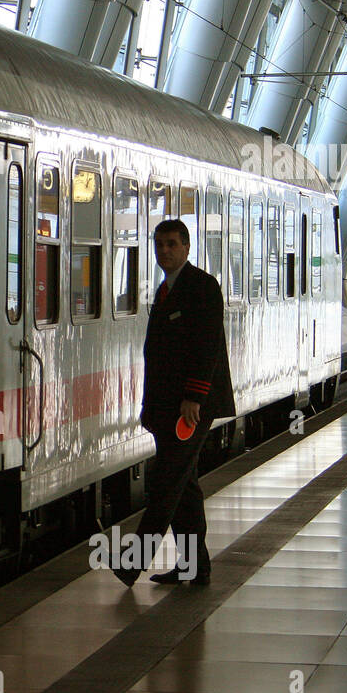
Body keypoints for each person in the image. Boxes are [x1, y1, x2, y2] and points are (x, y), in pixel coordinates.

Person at [112, 219, 235, 587]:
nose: (164, 250)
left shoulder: (202, 287)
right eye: (159, 244)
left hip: (190, 407)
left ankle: (133, 563)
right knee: (184, 486)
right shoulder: (167, 289)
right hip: (170, 406)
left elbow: (207, 348)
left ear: (186, 247)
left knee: (166, 483)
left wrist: (194, 398)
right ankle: (195, 566)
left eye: (171, 244)